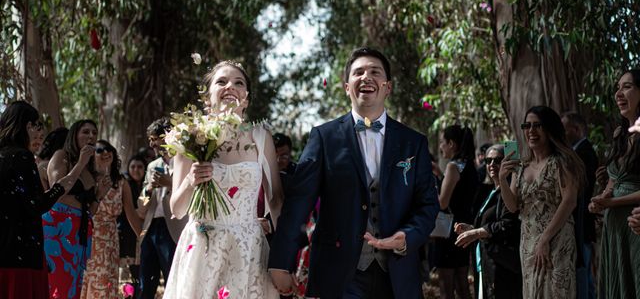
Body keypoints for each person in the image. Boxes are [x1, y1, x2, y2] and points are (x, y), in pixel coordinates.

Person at [269, 47, 440, 298]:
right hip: (338, 275)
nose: (366, 77)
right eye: (358, 72)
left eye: (374, 72)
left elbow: (427, 205)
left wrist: (406, 237)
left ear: (387, 86)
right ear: (347, 87)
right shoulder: (324, 137)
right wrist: (280, 261)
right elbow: (298, 203)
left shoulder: (413, 143)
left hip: (397, 275)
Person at [163, 60, 284, 298]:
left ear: (246, 98)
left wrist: (283, 258)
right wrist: (191, 180)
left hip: (248, 250)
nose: (230, 86)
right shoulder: (189, 137)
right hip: (202, 249)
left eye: (238, 83)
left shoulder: (261, 137)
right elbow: (177, 209)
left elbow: (276, 200)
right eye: (222, 81)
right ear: (207, 99)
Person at [0, 102, 91, 299]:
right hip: (21, 254)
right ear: (25, 126)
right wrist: (58, 189)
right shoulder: (22, 157)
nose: (38, 131)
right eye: (35, 125)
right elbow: (35, 205)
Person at [499, 106, 584, 299]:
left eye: (538, 125)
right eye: (527, 125)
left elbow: (569, 201)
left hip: (557, 239)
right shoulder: (520, 167)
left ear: (549, 129)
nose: (531, 131)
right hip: (528, 242)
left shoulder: (562, 162)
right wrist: (503, 180)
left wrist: (545, 239)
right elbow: (512, 206)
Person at [45, 120, 112, 299]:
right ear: (74, 135)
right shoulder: (61, 156)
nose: (91, 136)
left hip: (79, 229)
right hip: (57, 227)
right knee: (55, 282)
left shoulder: (91, 169)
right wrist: (81, 163)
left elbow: (90, 211)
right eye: (85, 132)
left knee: (73, 283)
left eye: (94, 133)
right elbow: (56, 190)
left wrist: (99, 195)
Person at [589, 69, 640, 298]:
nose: (619, 93)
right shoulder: (620, 133)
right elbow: (614, 177)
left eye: (627, 87)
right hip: (613, 225)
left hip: (634, 223)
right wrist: (603, 199)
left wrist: (613, 202)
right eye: (617, 88)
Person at [454, 144, 522, 299]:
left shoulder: (510, 192)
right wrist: (471, 228)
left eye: (497, 160)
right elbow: (490, 224)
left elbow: (508, 224)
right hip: (486, 263)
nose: (492, 165)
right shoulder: (489, 190)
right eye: (488, 160)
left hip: (503, 266)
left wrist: (477, 232)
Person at [80, 140, 142, 299]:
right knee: (87, 283)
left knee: (107, 284)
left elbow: (131, 214)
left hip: (110, 242)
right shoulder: (86, 179)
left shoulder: (121, 182)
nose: (105, 152)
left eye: (109, 149)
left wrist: (143, 237)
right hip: (89, 238)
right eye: (99, 150)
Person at [136, 118, 187, 299]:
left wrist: (169, 182)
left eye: (154, 138)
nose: (151, 144)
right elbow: (141, 206)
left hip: (174, 226)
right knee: (145, 282)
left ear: (167, 137)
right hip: (151, 228)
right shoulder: (152, 166)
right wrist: (148, 190)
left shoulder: (185, 160)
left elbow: (192, 191)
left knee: (173, 278)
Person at [433, 125, 478, 299]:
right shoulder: (468, 165)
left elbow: (443, 203)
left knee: (446, 287)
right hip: (464, 228)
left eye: (443, 142)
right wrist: (440, 176)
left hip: (447, 233)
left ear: (451, 143)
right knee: (462, 284)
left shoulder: (452, 167)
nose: (441, 147)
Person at [561, 111, 598, 299]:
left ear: (575, 129)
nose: (561, 134)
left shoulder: (583, 153)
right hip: (580, 224)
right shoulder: (578, 152)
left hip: (581, 224)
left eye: (564, 130)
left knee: (581, 275)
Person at [118, 155, 146, 289]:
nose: (136, 170)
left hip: (142, 235)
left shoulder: (148, 186)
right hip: (126, 235)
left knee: (139, 276)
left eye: (140, 167)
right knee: (126, 277)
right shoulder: (124, 184)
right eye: (133, 166)